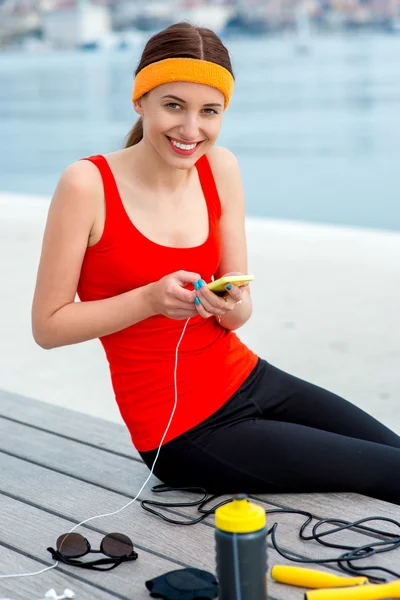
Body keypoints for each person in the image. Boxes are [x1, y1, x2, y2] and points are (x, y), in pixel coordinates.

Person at [32, 22, 400, 506]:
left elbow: (240, 313)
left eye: (209, 111)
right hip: (182, 431)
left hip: (250, 378)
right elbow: (48, 326)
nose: (191, 130)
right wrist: (148, 299)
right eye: (173, 106)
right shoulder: (86, 184)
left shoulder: (220, 167)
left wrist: (227, 303)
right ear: (140, 101)